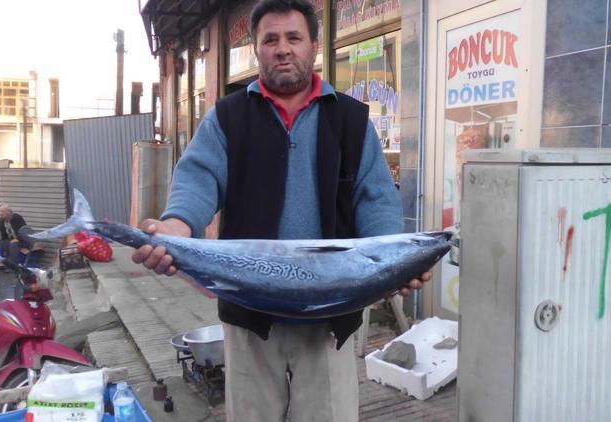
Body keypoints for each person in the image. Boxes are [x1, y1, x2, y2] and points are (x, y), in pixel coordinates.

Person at [132, 1, 433, 420]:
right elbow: (198, 180)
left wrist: (395, 262)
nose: (282, 48)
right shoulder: (227, 118)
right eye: (270, 39)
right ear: (257, 49)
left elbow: (376, 202)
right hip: (250, 316)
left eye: (293, 37)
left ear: (313, 45)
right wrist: (176, 226)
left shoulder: (351, 120)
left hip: (332, 319)